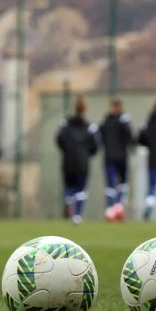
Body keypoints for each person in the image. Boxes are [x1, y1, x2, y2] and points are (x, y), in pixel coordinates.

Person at [55, 95, 99, 225]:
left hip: (68, 160)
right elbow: (95, 146)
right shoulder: (89, 127)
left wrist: (67, 150)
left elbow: (59, 139)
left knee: (69, 186)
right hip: (82, 161)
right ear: (85, 109)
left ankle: (68, 201)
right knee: (81, 189)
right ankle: (77, 215)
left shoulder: (65, 125)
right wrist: (87, 153)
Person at [98, 98, 134, 222]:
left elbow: (100, 138)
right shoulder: (124, 120)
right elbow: (130, 138)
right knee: (121, 183)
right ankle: (118, 207)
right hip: (121, 156)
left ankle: (111, 209)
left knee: (111, 183)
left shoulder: (105, 121)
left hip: (109, 156)